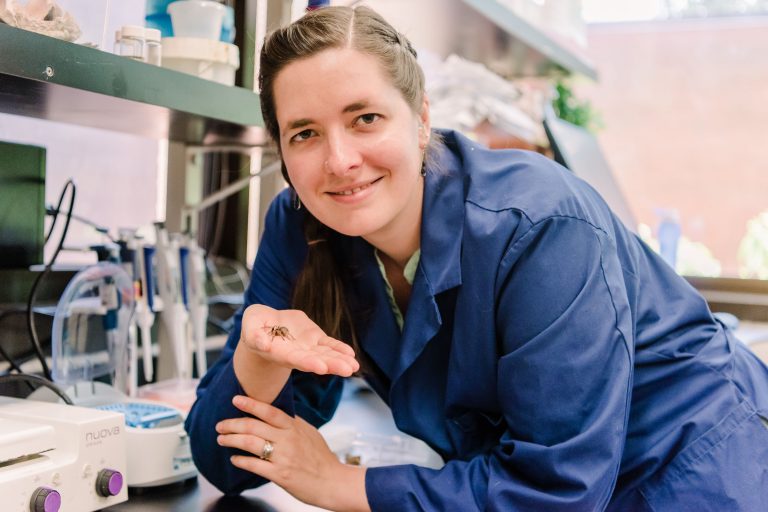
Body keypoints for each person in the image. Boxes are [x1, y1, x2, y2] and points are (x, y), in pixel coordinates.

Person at [185, 5, 768, 511]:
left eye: (365, 118)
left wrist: (341, 484)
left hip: (692, 471)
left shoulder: (539, 225)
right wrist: (256, 363)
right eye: (305, 133)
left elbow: (555, 492)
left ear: (421, 122)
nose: (339, 160)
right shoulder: (303, 226)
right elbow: (227, 469)